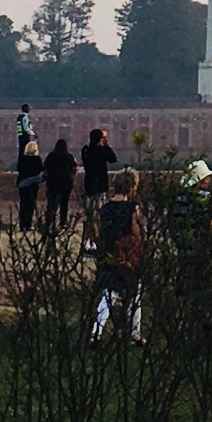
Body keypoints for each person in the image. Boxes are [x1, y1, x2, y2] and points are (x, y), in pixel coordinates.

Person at [92, 168, 144, 342]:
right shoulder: (131, 208)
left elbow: (98, 232)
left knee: (108, 294)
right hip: (127, 254)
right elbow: (136, 231)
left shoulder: (105, 209)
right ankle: (134, 333)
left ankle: (96, 331)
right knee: (134, 294)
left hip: (108, 253)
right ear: (131, 187)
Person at [79, 129, 117, 241]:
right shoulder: (101, 150)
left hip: (89, 183)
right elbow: (113, 159)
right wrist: (106, 145)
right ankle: (98, 234)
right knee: (100, 211)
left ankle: (89, 236)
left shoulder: (86, 150)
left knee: (90, 212)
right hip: (100, 184)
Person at [42, 137, 78, 235]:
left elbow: (45, 168)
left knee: (52, 203)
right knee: (64, 203)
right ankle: (63, 222)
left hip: (52, 182)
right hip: (66, 183)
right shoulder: (69, 156)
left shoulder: (51, 156)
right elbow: (75, 167)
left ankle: (50, 221)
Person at [15, 137, 43, 232]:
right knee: (31, 204)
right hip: (33, 184)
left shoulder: (22, 159)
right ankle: (28, 223)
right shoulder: (37, 159)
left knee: (23, 203)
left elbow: (19, 169)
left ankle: (22, 224)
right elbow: (40, 170)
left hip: (22, 183)